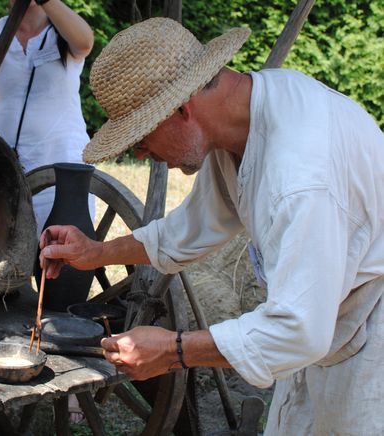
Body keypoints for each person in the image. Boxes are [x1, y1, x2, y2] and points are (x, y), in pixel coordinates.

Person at [39, 17, 384, 434]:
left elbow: (298, 330)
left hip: (370, 346)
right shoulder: (248, 119)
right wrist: (97, 253)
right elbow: (190, 227)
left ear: (182, 108)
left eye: (143, 139)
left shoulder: (301, 177)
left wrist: (173, 350)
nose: (145, 154)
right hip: (326, 333)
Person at [0, 0, 95, 236]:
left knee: (60, 260)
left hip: (59, 163)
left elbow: (85, 41)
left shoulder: (62, 30)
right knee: (1, 254)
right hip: (3, 165)